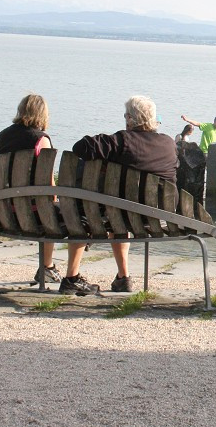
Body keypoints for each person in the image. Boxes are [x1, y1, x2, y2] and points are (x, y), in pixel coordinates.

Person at [60, 95, 178, 295]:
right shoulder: (168, 143)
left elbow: (80, 147)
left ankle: (72, 277)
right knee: (121, 212)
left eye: (126, 116)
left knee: (99, 212)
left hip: (122, 215)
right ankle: (123, 278)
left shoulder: (122, 141)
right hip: (160, 217)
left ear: (131, 119)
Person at [0, 94, 70, 285]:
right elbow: (48, 180)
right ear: (43, 114)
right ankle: (47, 266)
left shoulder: (3, 136)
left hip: (4, 209)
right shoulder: (41, 139)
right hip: (33, 211)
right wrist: (55, 200)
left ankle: (48, 267)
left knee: (50, 209)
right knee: (59, 213)